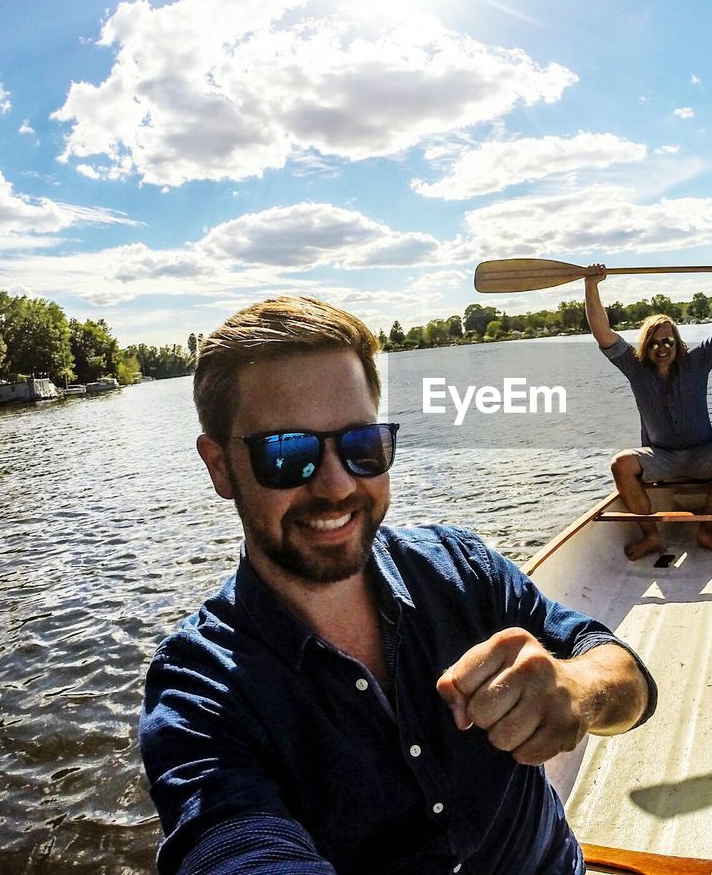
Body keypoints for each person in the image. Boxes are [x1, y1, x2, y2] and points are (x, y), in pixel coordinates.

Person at [139, 296, 655, 875]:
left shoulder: (462, 570)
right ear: (218, 467)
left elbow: (629, 683)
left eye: (362, 445)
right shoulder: (201, 690)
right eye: (287, 454)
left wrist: (578, 687)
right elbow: (230, 847)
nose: (336, 487)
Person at [584, 262, 712, 560]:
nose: (661, 347)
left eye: (667, 340)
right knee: (621, 463)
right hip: (659, 457)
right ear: (646, 346)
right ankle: (651, 537)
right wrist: (592, 284)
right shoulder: (635, 368)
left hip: (701, 452)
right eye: (653, 342)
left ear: (677, 342)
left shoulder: (698, 361)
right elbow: (603, 333)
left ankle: (706, 531)